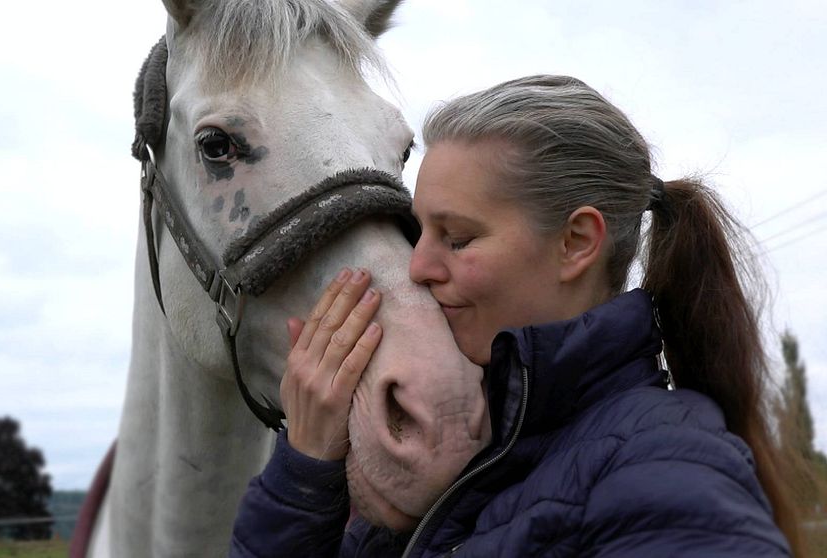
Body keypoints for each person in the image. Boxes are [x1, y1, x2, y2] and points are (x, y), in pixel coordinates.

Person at [230, 75, 804, 557]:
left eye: (456, 239)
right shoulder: (472, 448)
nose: (416, 268)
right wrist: (305, 477)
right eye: (419, 232)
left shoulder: (671, 473)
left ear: (576, 244)